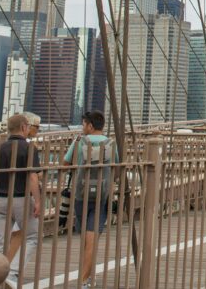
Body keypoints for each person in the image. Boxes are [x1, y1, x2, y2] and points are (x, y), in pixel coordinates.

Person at [0, 113, 41, 289]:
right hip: (21, 198)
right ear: (24, 127)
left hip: (0, 199)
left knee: (0, 241)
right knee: (32, 236)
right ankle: (13, 273)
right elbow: (33, 177)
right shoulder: (29, 149)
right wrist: (38, 201)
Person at [63, 110, 116, 289]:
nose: (83, 127)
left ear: (90, 126)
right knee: (92, 238)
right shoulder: (111, 144)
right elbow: (117, 165)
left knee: (87, 237)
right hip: (102, 196)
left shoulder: (79, 142)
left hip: (80, 195)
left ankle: (84, 280)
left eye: (84, 124)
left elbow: (66, 163)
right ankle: (86, 280)